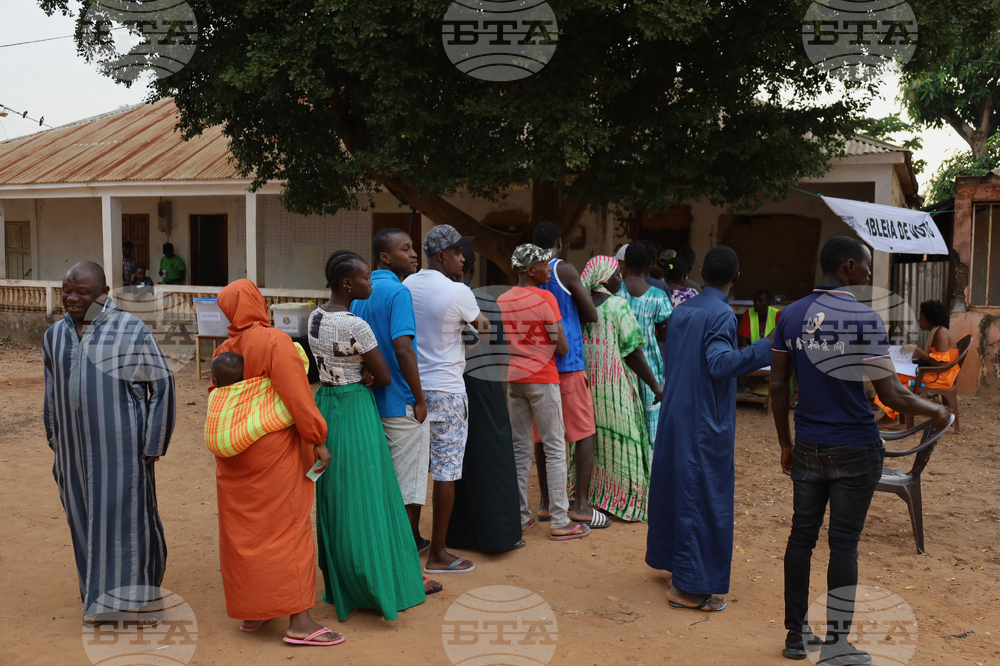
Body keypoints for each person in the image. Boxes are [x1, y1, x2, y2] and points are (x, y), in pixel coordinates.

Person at [771, 237, 951, 663]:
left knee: (801, 536)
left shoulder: (789, 315)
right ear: (849, 266)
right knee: (844, 544)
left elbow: (778, 386)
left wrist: (786, 444)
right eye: (867, 265)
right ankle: (837, 644)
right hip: (854, 446)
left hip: (808, 444)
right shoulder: (865, 318)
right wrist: (936, 410)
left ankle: (795, 637)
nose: (870, 273)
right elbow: (892, 393)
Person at [43, 261, 176, 625]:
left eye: (81, 292)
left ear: (103, 294)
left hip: (123, 450)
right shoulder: (54, 336)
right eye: (67, 291)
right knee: (83, 523)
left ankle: (144, 603)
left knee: (131, 524)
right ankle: (100, 602)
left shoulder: (130, 329)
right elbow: (51, 392)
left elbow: (162, 385)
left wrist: (153, 442)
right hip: (72, 454)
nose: (71, 298)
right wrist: (55, 439)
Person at [211, 280, 341, 646]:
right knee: (288, 528)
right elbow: (297, 395)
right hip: (274, 451)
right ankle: (300, 622)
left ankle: (254, 611)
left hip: (235, 454)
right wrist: (317, 438)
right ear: (258, 302)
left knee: (243, 533)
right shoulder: (275, 341)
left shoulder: (224, 349)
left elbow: (220, 399)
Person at [646, 246, 771, 612]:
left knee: (678, 490)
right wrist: (767, 347)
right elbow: (719, 364)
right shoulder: (721, 314)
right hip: (702, 421)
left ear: (702, 273)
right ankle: (688, 589)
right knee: (700, 498)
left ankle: (677, 567)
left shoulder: (683, 310)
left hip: (676, 413)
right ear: (736, 278)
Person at [309, 251, 433, 619]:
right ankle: (378, 581)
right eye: (365, 278)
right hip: (356, 409)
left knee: (337, 495)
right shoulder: (356, 325)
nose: (370, 284)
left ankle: (344, 582)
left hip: (327, 404)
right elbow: (385, 376)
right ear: (347, 284)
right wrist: (367, 374)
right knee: (370, 493)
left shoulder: (316, 316)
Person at [405, 224, 490, 574]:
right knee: (446, 472)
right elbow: (483, 327)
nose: (463, 258)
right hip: (448, 391)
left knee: (414, 471)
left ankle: (412, 541)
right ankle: (438, 555)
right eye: (457, 252)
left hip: (413, 390)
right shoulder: (458, 291)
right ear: (441, 256)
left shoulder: (407, 285)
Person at [499, 243, 591, 542]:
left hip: (515, 379)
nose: (548, 270)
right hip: (543, 378)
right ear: (530, 270)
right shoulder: (545, 298)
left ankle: (521, 517)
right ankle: (561, 520)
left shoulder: (503, 299)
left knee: (519, 449)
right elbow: (562, 347)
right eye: (543, 266)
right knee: (554, 448)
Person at [351, 228, 431, 553]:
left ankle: (387, 545)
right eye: (405, 249)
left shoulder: (360, 292)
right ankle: (408, 547)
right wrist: (420, 398)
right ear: (384, 257)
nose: (413, 254)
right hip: (400, 403)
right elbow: (403, 349)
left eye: (413, 248)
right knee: (409, 484)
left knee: (382, 480)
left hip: (370, 403)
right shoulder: (399, 292)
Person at [446, 246, 525, 552]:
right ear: (472, 269)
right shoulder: (485, 301)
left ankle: (459, 533)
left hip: (451, 385)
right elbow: (503, 352)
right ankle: (498, 535)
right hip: (484, 386)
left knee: (459, 458)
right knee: (493, 457)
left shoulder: (439, 301)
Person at [530, 221, 606, 529]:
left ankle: (546, 504)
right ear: (559, 243)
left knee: (541, 435)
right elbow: (591, 313)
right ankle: (581, 506)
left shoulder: (528, 273)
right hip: (568, 362)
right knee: (583, 432)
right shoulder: (564, 270)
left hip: (538, 364)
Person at [578, 255, 663, 522]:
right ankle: (623, 501)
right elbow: (633, 352)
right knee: (623, 440)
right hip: (614, 387)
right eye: (616, 274)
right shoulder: (617, 305)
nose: (621, 279)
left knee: (590, 440)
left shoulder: (577, 307)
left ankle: (591, 496)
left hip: (585, 386)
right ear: (603, 279)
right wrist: (655, 385)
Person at [620, 241, 674, 443]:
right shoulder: (658, 296)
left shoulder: (614, 291)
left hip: (618, 363)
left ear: (626, 262)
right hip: (649, 364)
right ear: (650, 264)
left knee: (624, 417)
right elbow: (666, 326)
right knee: (650, 420)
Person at [874, 299, 960, 423]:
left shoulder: (941, 333)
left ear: (931, 319)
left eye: (921, 318)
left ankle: (891, 417)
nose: (919, 321)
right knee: (892, 375)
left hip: (941, 377)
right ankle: (892, 414)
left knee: (891, 377)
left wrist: (917, 350)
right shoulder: (937, 331)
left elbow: (941, 364)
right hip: (936, 373)